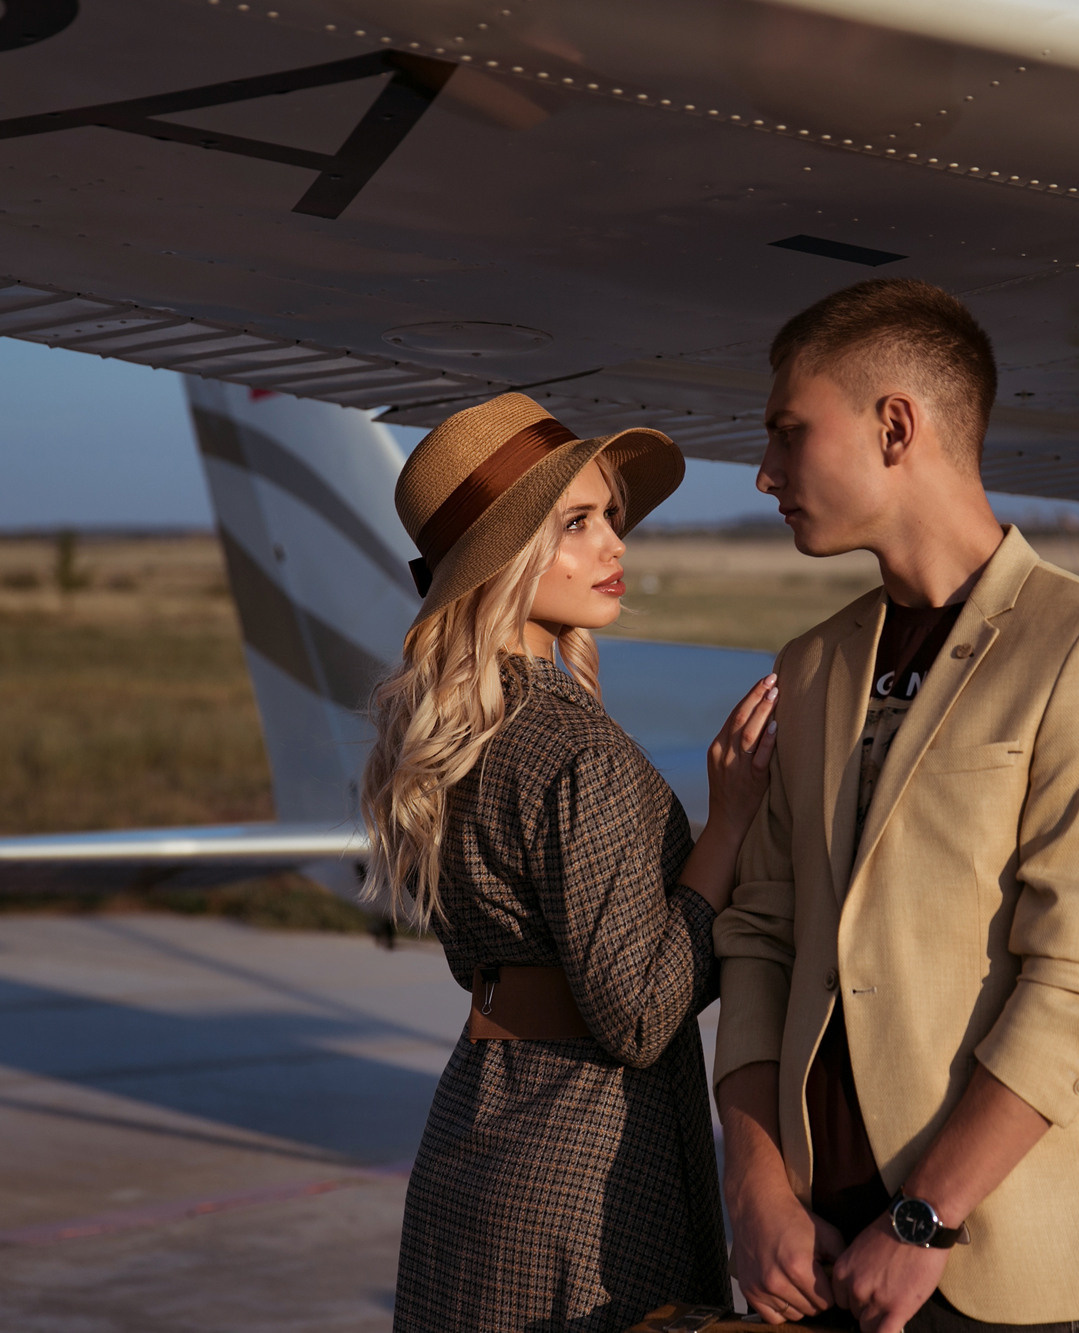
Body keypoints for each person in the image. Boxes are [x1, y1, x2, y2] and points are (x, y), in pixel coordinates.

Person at [714, 280, 1079, 1333]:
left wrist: (924, 1218)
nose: (763, 472)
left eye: (788, 433)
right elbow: (756, 935)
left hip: (988, 1266)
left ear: (894, 426)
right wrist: (752, 1187)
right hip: (810, 1260)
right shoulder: (810, 666)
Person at [363, 392, 780, 1333]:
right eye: (578, 524)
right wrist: (728, 829)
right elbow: (636, 1013)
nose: (614, 546)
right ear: (501, 560)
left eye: (612, 520)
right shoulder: (572, 747)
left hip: (479, 1131)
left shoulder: (467, 734)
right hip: (589, 1174)